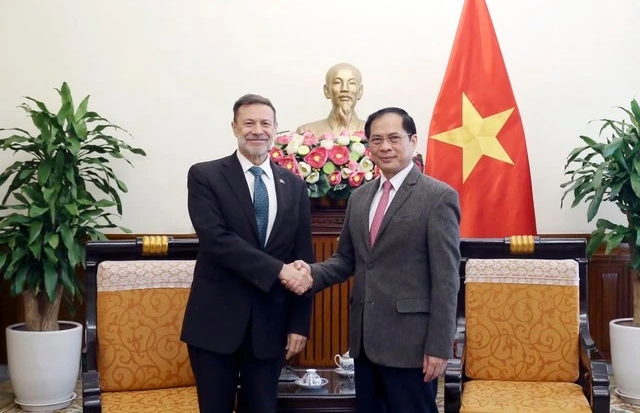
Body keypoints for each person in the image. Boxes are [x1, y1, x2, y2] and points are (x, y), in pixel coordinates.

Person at [287, 107, 461, 413]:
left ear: (413, 141)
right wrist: (310, 273)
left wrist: (439, 347)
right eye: (377, 140)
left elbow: (447, 280)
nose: (385, 147)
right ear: (368, 146)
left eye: (394, 138)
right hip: (365, 344)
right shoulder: (360, 197)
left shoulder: (438, 197)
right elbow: (346, 260)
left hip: (412, 347)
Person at [181, 94, 315, 413]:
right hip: (214, 324)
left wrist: (299, 324)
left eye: (265, 123)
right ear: (234, 127)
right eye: (249, 123)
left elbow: (303, 259)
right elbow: (217, 240)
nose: (257, 130)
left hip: (270, 327)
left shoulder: (294, 186)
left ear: (276, 129)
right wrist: (278, 271)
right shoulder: (205, 176)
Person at [296, 62, 366, 137]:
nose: (345, 89)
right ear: (327, 91)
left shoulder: (373, 131)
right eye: (337, 82)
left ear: (360, 91)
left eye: (352, 83)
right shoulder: (306, 132)